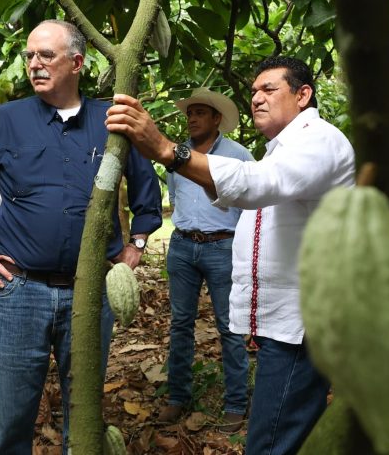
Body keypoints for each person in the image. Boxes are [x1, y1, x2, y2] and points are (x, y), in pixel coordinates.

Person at [106, 55, 356, 455]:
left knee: (269, 441)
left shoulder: (319, 139)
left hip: (304, 326)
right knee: (287, 434)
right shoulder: (283, 148)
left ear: (303, 94)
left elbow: (257, 184)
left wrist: (168, 150)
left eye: (269, 89)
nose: (257, 98)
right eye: (254, 90)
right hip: (287, 324)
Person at [0, 19, 163, 455]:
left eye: (46, 55)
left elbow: (146, 189)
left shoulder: (111, 121)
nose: (34, 64)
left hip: (89, 292)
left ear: (77, 62)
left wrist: (136, 245)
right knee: (9, 422)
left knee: (82, 418)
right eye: (29, 56)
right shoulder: (6, 120)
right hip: (17, 290)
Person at [158, 88, 253, 431]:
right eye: (190, 113)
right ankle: (177, 398)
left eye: (201, 113)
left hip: (221, 248)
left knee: (229, 326)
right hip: (183, 245)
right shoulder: (176, 155)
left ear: (216, 120)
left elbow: (253, 206)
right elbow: (175, 197)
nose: (193, 118)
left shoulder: (238, 155)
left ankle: (236, 403)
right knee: (180, 324)